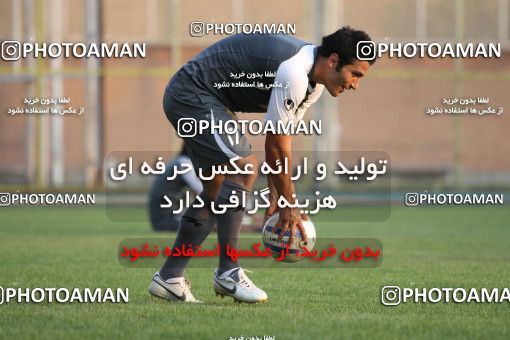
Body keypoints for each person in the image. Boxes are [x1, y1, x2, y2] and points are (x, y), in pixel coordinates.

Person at [148, 26, 376, 303]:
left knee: (216, 191)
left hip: (208, 99)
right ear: (333, 61)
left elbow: (281, 143)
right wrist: (289, 205)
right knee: (243, 168)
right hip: (192, 93)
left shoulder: (312, 85)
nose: (356, 84)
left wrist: (277, 195)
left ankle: (169, 278)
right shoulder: (294, 71)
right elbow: (275, 147)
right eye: (356, 74)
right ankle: (228, 273)